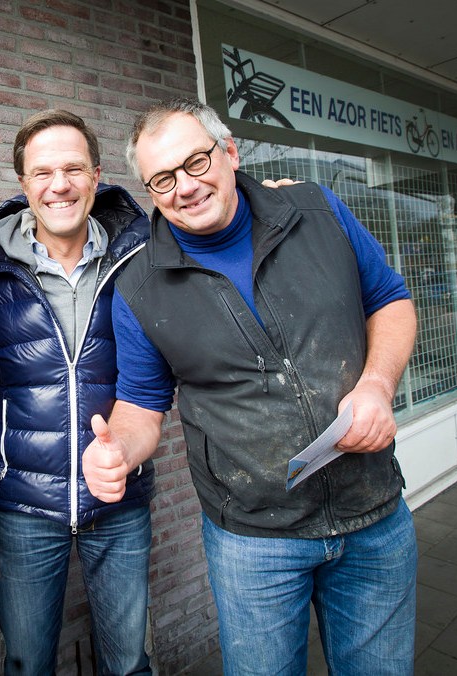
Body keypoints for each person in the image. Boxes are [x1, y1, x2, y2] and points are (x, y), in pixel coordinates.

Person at [83, 97, 418, 675]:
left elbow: (390, 300)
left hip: (373, 514)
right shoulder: (139, 287)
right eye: (163, 179)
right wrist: (118, 452)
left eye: (195, 162)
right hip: (254, 541)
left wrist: (377, 384)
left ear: (230, 152)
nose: (185, 187)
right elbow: (140, 406)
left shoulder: (318, 211)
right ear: (150, 191)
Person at [0, 110, 154, 675]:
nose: (59, 185)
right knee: (26, 664)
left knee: (129, 664)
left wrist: (264, 200)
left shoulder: (142, 257)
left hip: (120, 494)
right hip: (23, 504)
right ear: (24, 185)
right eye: (42, 172)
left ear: (96, 176)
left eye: (73, 169)